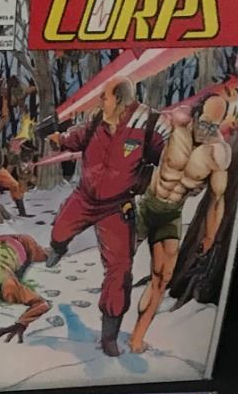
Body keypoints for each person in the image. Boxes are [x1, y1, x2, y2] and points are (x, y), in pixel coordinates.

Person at [42, 80, 163, 356]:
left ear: (119, 99)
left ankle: (109, 335)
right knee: (59, 230)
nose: (100, 101)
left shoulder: (146, 126)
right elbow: (72, 139)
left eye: (104, 97)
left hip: (116, 207)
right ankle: (58, 249)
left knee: (120, 269)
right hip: (84, 198)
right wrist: (56, 138)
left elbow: (168, 155)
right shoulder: (96, 121)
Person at [129, 91, 232, 353]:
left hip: (171, 213)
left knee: (162, 278)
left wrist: (209, 237)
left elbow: (217, 199)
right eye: (204, 122)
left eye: (213, 126)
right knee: (119, 264)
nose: (207, 131)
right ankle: (110, 326)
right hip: (145, 205)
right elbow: (138, 130)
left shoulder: (217, 153)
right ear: (195, 114)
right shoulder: (177, 123)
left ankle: (137, 337)